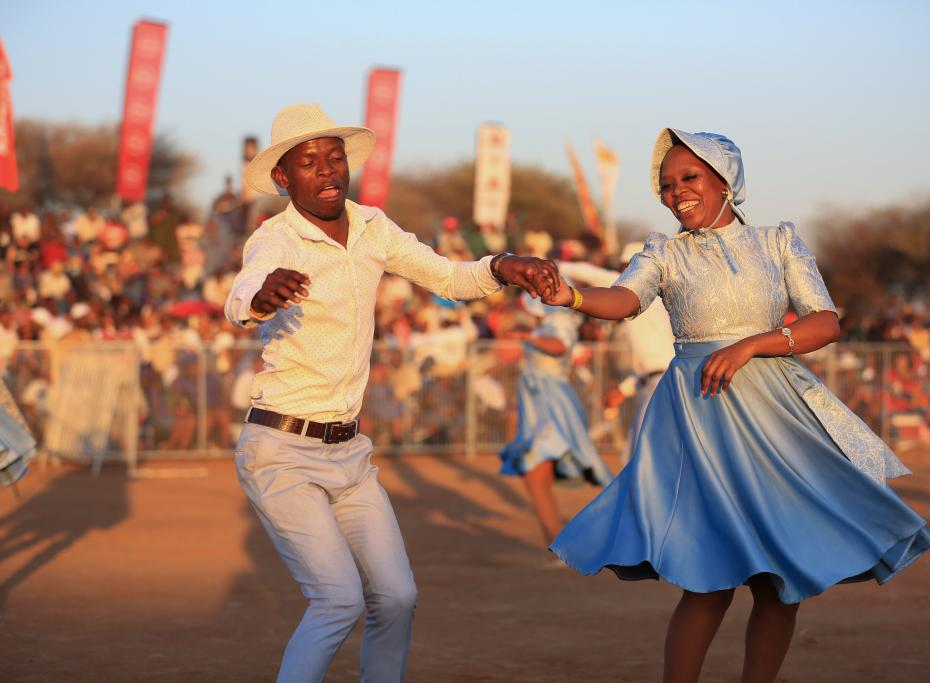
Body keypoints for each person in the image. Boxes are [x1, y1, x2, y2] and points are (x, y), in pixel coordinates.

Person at [543, 129, 930, 683]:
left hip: (778, 418)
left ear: (727, 181)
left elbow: (825, 321)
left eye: (690, 178)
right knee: (709, 579)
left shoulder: (778, 241)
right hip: (701, 415)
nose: (676, 191)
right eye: (667, 184)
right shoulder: (663, 251)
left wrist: (752, 344)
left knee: (780, 582)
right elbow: (624, 299)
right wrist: (574, 297)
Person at [224, 103, 557, 683]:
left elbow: (449, 278)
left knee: (398, 597)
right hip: (280, 449)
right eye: (309, 162)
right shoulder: (275, 240)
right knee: (337, 599)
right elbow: (241, 296)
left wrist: (504, 265)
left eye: (335, 158)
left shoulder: (374, 227)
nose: (327, 171)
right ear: (283, 178)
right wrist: (262, 295)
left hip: (349, 453)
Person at [499, 292, 612, 548]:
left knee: (538, 475)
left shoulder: (560, 322)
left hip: (552, 407)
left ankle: (563, 544)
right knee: (536, 478)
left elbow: (560, 346)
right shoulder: (547, 324)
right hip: (539, 405)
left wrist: (527, 336)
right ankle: (558, 545)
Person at [558, 244, 675, 465]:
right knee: (638, 458)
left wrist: (556, 265)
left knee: (638, 459)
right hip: (655, 383)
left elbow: (592, 274)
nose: (621, 273)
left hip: (660, 385)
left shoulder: (639, 290)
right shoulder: (653, 300)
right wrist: (623, 390)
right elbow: (653, 366)